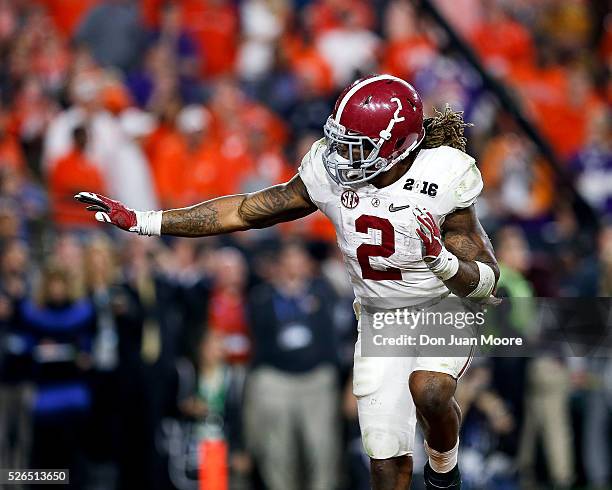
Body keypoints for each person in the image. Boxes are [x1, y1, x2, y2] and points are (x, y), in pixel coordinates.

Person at [75, 74, 499, 490]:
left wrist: (440, 260)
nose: (340, 156)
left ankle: (444, 472)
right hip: (380, 316)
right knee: (385, 461)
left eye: (357, 146)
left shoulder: (443, 174)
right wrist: (145, 220)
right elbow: (244, 211)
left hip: (442, 304)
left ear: (395, 146)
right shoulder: (329, 171)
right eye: (341, 141)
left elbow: (484, 282)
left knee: (428, 390)